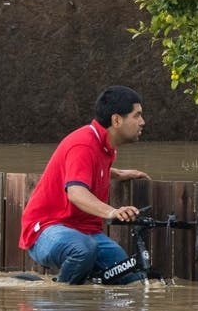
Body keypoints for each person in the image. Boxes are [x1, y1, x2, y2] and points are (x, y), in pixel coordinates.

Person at [18, 85, 150, 284]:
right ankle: (61, 295)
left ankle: (87, 298)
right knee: (83, 249)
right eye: (137, 115)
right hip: (47, 229)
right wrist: (112, 212)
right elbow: (76, 193)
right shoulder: (84, 144)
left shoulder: (105, 146)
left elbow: (86, 169)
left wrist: (119, 173)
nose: (142, 122)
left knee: (126, 274)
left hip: (85, 232)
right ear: (116, 120)